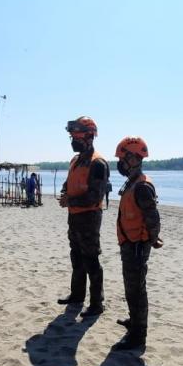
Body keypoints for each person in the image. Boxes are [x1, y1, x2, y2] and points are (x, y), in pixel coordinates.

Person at [57, 116, 109, 317]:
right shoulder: (76, 160)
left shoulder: (98, 163)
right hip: (75, 217)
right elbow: (68, 183)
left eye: (76, 136)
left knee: (91, 259)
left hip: (89, 217)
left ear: (89, 136)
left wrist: (70, 201)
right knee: (76, 257)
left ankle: (97, 303)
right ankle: (77, 295)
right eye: (72, 136)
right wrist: (65, 194)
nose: (73, 140)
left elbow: (95, 196)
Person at [114, 136, 162, 350]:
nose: (120, 163)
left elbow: (152, 216)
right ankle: (134, 322)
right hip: (129, 243)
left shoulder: (142, 186)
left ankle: (138, 335)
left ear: (134, 159)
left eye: (123, 158)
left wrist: (152, 238)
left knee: (136, 290)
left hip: (136, 246)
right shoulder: (133, 182)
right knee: (130, 287)